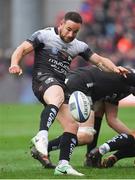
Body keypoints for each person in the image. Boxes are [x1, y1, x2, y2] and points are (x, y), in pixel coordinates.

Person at [9, 11, 128, 176]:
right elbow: (21, 49)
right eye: (69, 29)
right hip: (43, 79)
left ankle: (63, 165)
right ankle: (41, 136)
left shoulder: (78, 46)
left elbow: (100, 60)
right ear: (61, 25)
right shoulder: (44, 35)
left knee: (72, 126)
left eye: (75, 31)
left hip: (59, 84)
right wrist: (15, 63)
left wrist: (115, 69)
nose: (71, 34)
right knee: (57, 95)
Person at [36, 66, 135, 168]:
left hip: (78, 81)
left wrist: (131, 138)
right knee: (86, 136)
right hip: (80, 84)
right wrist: (132, 138)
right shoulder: (129, 78)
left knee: (98, 111)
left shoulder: (119, 85)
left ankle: (90, 158)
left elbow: (112, 119)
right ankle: (43, 148)